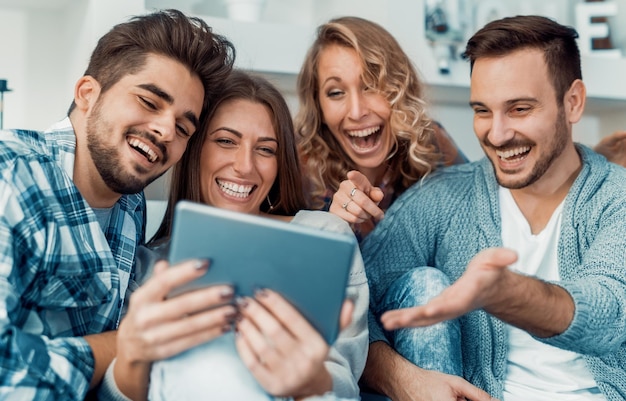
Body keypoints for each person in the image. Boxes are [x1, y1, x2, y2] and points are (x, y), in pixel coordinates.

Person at [362, 14, 626, 401]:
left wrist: (505, 293)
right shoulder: (441, 198)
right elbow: (349, 304)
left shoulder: (616, 197)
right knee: (422, 284)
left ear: (572, 102)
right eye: (482, 110)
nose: (497, 134)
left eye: (519, 109)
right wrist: (403, 378)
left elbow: (609, 313)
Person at [0, 9, 234, 400]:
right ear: (88, 94)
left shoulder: (130, 204)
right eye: (148, 101)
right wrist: (128, 342)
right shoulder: (12, 174)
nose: (164, 131)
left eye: (182, 128)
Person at [98, 71, 369, 401]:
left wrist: (309, 382)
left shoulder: (324, 237)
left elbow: (345, 384)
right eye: (226, 141)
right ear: (194, 150)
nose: (245, 166)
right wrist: (130, 360)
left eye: (265, 149)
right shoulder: (149, 268)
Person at [295, 16, 468, 243]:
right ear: (319, 107)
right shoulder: (300, 166)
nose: (356, 112)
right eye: (336, 93)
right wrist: (332, 226)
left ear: (400, 90)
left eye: (371, 86)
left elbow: (484, 201)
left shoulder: (430, 141)